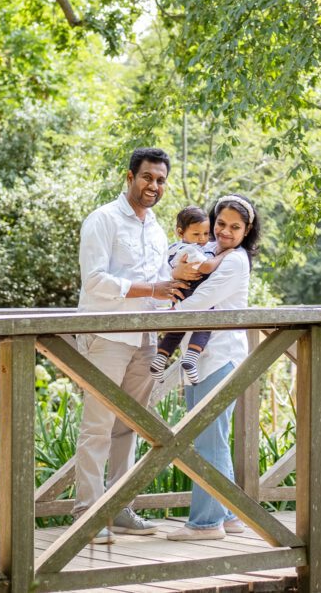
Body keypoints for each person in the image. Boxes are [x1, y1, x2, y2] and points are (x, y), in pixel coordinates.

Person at [75, 147, 196, 545]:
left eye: (160, 180)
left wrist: (181, 279)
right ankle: (87, 516)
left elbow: (160, 283)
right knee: (97, 426)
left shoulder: (158, 230)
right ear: (129, 177)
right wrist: (153, 287)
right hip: (106, 336)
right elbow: (94, 281)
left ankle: (120, 507)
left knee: (128, 427)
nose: (154, 186)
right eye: (147, 177)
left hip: (145, 340)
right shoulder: (103, 220)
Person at [164, 193, 261, 541]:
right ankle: (229, 514)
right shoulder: (209, 254)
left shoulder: (234, 260)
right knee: (210, 438)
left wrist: (164, 313)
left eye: (235, 227)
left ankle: (206, 524)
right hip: (202, 358)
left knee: (209, 442)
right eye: (220, 224)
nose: (225, 231)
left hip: (220, 355)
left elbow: (202, 300)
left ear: (246, 230)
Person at [150, 206, 229, 384]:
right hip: (193, 290)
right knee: (208, 321)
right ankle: (191, 359)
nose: (202, 239)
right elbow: (206, 267)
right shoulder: (191, 250)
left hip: (181, 292)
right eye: (196, 234)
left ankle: (160, 359)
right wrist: (225, 254)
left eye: (206, 234)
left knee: (177, 329)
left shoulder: (174, 248)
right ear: (180, 232)